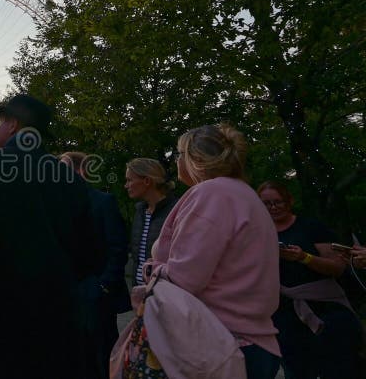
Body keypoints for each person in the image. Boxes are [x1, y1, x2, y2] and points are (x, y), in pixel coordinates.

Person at [0, 94, 103, 378]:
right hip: (62, 325)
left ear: (12, 124)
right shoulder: (71, 180)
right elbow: (91, 257)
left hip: (2, 328)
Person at [145, 124, 281, 378]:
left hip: (220, 347)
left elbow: (185, 278)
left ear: (195, 159)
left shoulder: (211, 193)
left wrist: (152, 269)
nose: (176, 161)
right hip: (251, 343)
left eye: (179, 153)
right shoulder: (243, 194)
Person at [258, 180, 361, 379]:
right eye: (266, 204)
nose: (273, 208)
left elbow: (337, 268)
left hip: (325, 309)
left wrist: (304, 257)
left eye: (278, 202)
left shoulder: (310, 226)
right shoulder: (258, 232)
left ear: (289, 201)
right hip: (282, 315)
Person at [60, 151, 130, 379]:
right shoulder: (55, 206)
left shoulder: (103, 202)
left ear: (80, 171)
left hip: (96, 298)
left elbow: (118, 248)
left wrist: (102, 287)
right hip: (65, 299)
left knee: (101, 359)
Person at [124, 158, 178, 286]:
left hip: (164, 294)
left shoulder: (176, 211)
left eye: (129, 180)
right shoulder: (140, 211)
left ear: (147, 181)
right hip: (140, 293)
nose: (126, 185)